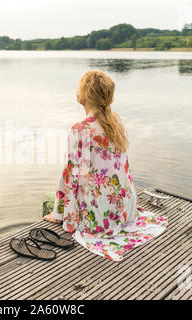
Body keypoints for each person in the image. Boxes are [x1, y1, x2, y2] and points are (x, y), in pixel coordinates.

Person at [43, 70, 168, 262]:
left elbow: (70, 176)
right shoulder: (115, 121)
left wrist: (59, 214)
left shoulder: (81, 129)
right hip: (124, 209)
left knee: (48, 200)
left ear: (84, 95)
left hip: (99, 216)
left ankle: (55, 215)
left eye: (79, 87)